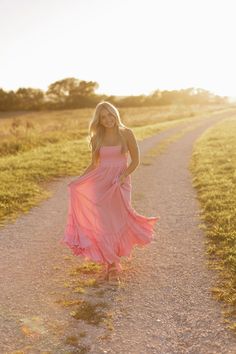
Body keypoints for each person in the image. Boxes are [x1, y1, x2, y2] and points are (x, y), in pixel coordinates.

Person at [60, 101, 160, 281]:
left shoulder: (127, 133)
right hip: (101, 182)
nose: (108, 119)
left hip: (120, 182)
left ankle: (114, 256)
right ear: (99, 120)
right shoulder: (96, 137)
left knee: (119, 218)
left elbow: (135, 161)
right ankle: (111, 262)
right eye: (103, 117)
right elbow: (94, 164)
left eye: (110, 115)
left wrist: (123, 176)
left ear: (116, 114)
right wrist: (79, 181)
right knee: (104, 223)